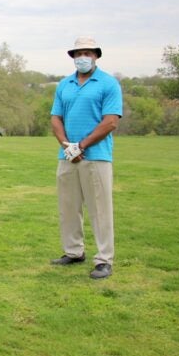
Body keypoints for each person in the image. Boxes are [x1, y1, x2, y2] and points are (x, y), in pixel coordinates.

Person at [50, 36, 123, 280]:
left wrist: (81, 145)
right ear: (73, 57)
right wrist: (67, 146)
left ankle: (104, 260)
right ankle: (73, 251)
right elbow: (55, 118)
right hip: (67, 156)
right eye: (79, 53)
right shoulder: (65, 85)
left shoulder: (108, 83)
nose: (83, 57)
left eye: (88, 53)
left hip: (97, 156)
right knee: (68, 207)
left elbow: (110, 121)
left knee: (100, 209)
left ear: (96, 56)